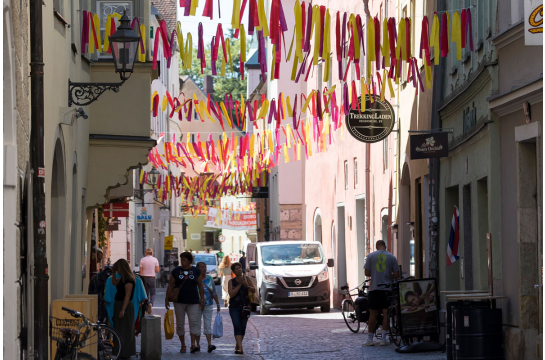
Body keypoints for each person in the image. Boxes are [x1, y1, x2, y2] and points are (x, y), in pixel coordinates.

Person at [165, 252, 205, 354]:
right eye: (181, 260)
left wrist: (202, 299)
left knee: (193, 323)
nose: (182, 262)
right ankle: (183, 344)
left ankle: (193, 344)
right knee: (180, 324)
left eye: (184, 260)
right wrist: (167, 298)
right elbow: (170, 285)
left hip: (193, 301)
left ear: (189, 261)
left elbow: (200, 285)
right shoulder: (176, 271)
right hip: (179, 301)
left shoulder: (196, 271)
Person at [362, 240, 400, 347]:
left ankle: (370, 339)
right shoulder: (392, 257)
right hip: (387, 289)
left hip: (375, 288)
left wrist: (375, 273)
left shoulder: (371, 256)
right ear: (385, 246)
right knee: (386, 314)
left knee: (373, 314)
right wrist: (388, 276)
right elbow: (397, 274)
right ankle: (384, 338)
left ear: (376, 246)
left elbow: (367, 273)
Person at [110, 259, 137, 358]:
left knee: (125, 330)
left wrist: (123, 310)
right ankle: (118, 350)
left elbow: (127, 295)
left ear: (122, 267)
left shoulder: (129, 279)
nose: (117, 271)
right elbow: (114, 283)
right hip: (119, 305)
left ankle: (126, 353)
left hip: (124, 305)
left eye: (118, 269)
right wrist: (113, 273)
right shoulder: (122, 278)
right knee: (118, 329)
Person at [228, 262, 255, 355]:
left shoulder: (247, 279)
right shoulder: (231, 282)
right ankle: (240, 347)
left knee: (243, 327)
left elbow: (253, 290)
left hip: (246, 307)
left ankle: (238, 345)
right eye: (236, 269)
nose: (239, 270)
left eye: (240, 268)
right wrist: (239, 285)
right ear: (233, 271)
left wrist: (246, 285)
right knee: (237, 325)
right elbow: (231, 294)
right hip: (234, 307)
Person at [195, 261, 221, 353]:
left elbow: (213, 292)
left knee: (207, 324)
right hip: (197, 305)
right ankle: (197, 345)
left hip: (208, 304)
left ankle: (209, 344)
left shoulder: (209, 278)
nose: (204, 269)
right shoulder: (195, 279)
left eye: (205, 267)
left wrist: (217, 303)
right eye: (202, 267)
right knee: (197, 325)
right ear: (198, 269)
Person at [139, 248, 160, 314]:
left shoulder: (142, 260)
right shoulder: (155, 260)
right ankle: (151, 303)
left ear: (146, 253)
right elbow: (157, 270)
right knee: (153, 292)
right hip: (152, 278)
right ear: (152, 253)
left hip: (144, 278)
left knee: (146, 293)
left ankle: (147, 306)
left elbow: (140, 272)